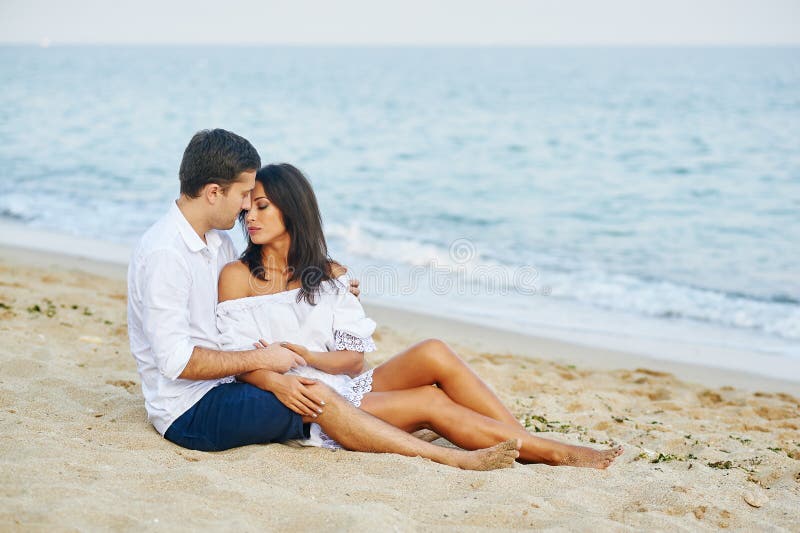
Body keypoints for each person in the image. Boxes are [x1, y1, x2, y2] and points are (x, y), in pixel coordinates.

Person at [127, 128, 519, 471]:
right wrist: (264, 361)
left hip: (231, 383)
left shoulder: (218, 243)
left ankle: (514, 439)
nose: (248, 207)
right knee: (317, 395)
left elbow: (254, 300)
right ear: (214, 192)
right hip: (192, 411)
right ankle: (449, 456)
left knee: (336, 379)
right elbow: (175, 360)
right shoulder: (166, 254)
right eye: (246, 195)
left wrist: (327, 285)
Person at [217, 163, 623, 468]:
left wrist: (305, 353)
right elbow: (237, 362)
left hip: (341, 380)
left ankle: (519, 441)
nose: (250, 218)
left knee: (434, 350)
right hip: (308, 401)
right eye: (246, 210)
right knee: (429, 401)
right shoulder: (237, 277)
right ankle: (553, 453)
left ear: (294, 210)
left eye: (262, 207)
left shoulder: (329, 273)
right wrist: (290, 367)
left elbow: (353, 359)